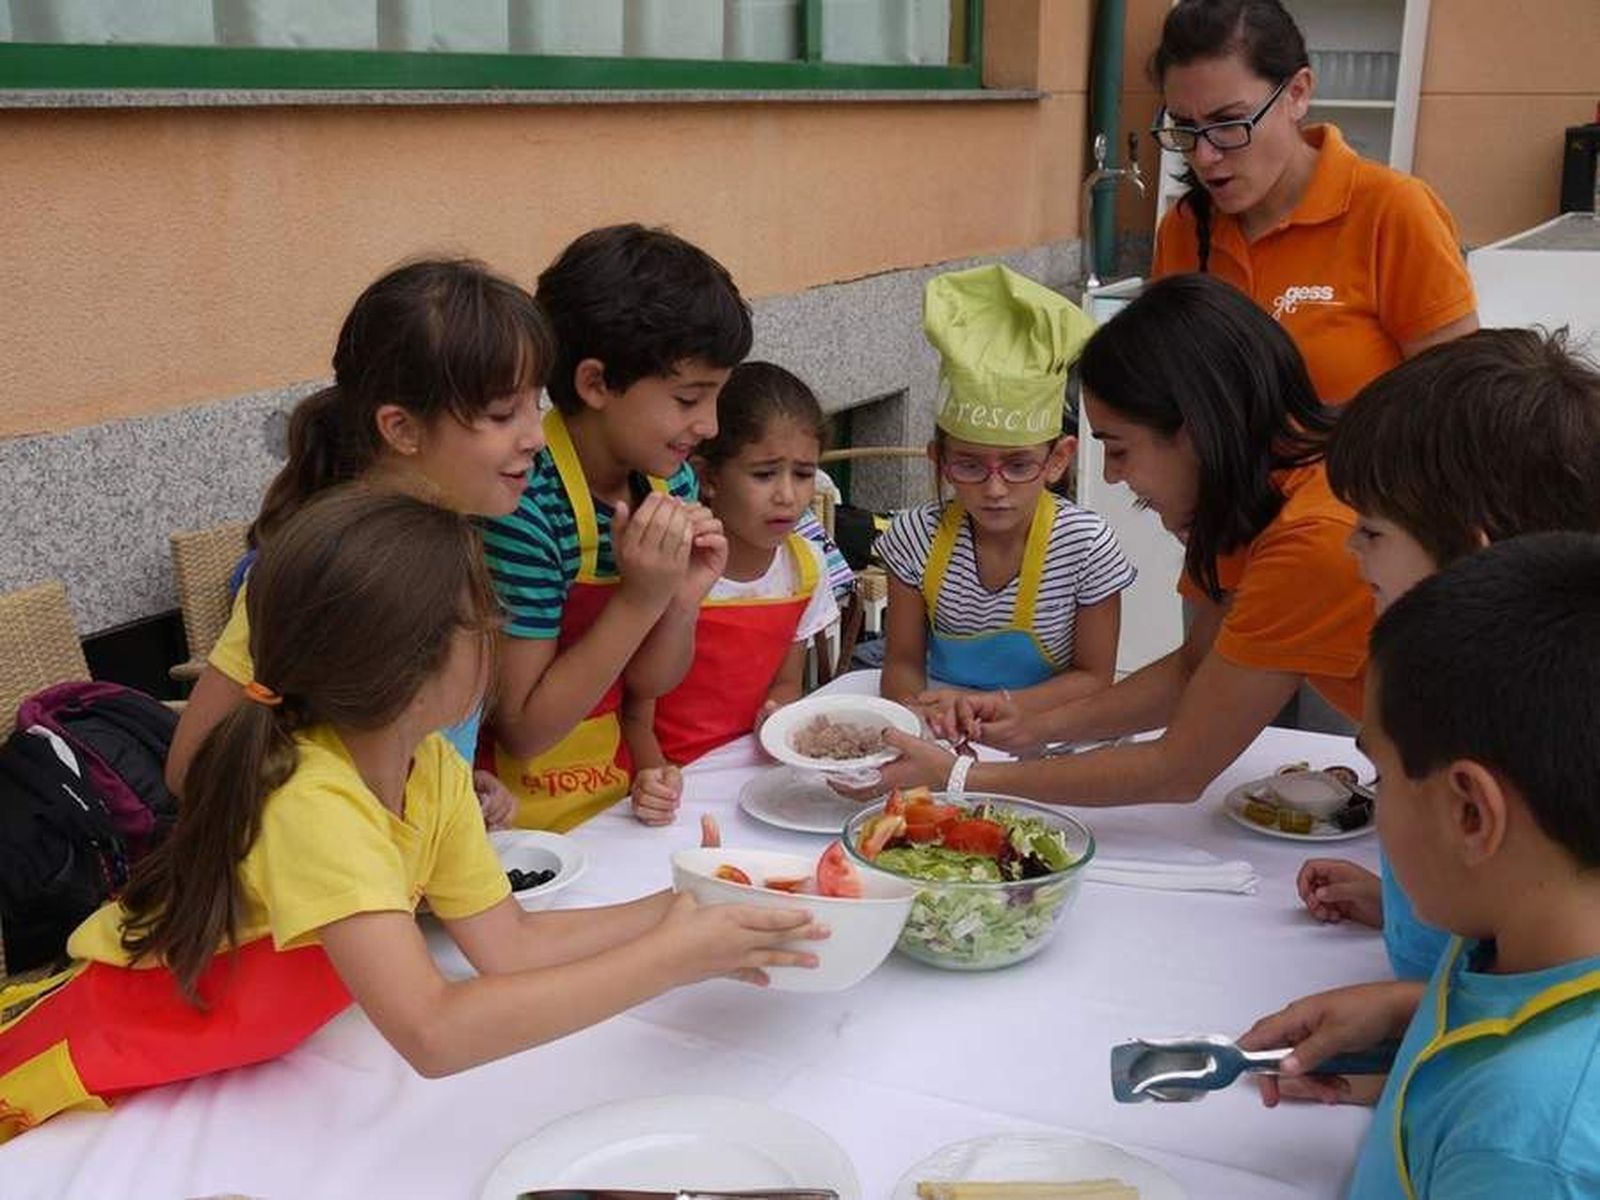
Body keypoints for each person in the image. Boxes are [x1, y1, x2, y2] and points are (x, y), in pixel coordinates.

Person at [0, 489, 823, 1144]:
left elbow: (510, 945)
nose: (498, 641)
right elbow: (432, 1032)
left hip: (223, 1061)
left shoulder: (427, 766)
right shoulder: (313, 801)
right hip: (73, 1063)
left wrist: (685, 910)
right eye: (486, 625)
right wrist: (670, 961)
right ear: (415, 665)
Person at [860, 273, 1372, 808]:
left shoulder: (1315, 537)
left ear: (1194, 429)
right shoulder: (1250, 503)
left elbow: (1176, 769)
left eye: (1119, 448)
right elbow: (1191, 668)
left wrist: (963, 777)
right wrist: (1034, 725)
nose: (1108, 476)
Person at [1237, 533, 1600, 1196]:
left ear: (1470, 815)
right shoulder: (1513, 931)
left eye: (1380, 775)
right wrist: (1406, 1017)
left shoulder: (1526, 1153)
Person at [165, 257, 555, 830]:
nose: (537, 438)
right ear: (401, 429)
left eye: (536, 404)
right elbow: (193, 770)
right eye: (502, 414)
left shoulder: (459, 547)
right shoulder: (330, 573)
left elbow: (401, 744)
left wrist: (446, 786)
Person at [1291, 329, 1600, 982]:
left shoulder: (1545, 741)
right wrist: (1396, 902)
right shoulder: (1460, 685)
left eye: (1372, 531)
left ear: (1468, 556)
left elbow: (1554, 997)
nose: (1351, 550)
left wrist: (1413, 1015)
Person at [480, 225, 746, 831]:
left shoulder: (667, 481)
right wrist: (641, 597)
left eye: (716, 398)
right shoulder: (522, 504)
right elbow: (523, 730)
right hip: (513, 821)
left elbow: (650, 681)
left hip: (615, 795)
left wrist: (679, 602)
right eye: (687, 399)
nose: (709, 425)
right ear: (596, 383)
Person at [1148, 0, 1478, 404]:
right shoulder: (1183, 227)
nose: (1203, 155)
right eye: (1184, 127)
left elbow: (1459, 408)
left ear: (1298, 94)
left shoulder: (1392, 211)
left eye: (1229, 123)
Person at [877, 264, 1133, 719]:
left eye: (1017, 465)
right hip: (945, 724)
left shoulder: (1085, 546)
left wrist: (991, 706)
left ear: (1058, 459)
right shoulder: (915, 538)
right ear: (940, 460)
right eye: (970, 465)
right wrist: (915, 714)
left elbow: (1095, 678)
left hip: (1049, 729)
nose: (994, 489)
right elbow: (901, 663)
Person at [624, 362, 840, 824]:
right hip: (667, 783)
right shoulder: (673, 564)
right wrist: (652, 774)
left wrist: (779, 715)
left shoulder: (804, 566)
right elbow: (634, 706)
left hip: (755, 781)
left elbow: (785, 682)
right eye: (764, 475)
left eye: (803, 474)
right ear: (709, 476)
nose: (787, 495)